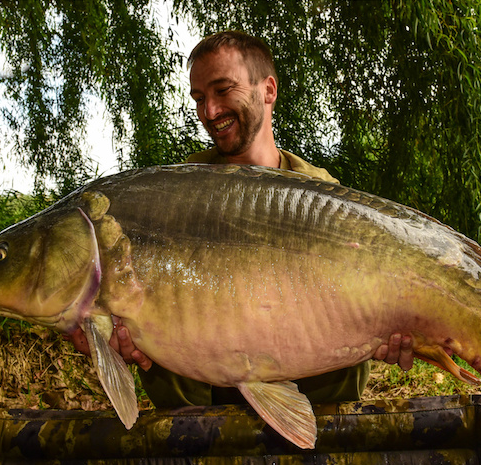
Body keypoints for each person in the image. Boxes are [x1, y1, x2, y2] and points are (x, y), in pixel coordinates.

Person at [68, 30, 415, 408]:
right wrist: (113, 332)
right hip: (199, 424)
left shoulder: (325, 195)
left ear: (268, 90)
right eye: (199, 98)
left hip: (321, 409)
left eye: (222, 90)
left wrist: (391, 330)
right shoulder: (173, 194)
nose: (209, 112)